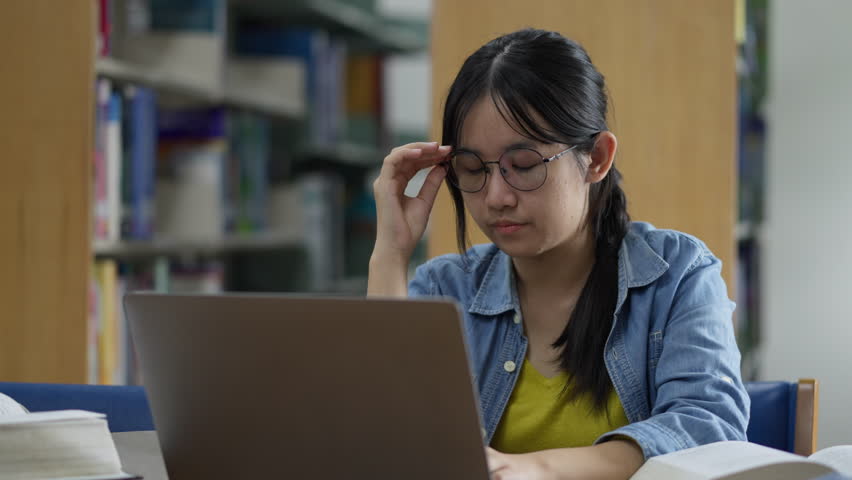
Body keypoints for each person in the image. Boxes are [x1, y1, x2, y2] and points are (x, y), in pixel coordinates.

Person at [367, 28, 749, 480]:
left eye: (524, 166)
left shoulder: (678, 274)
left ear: (596, 158)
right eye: (472, 170)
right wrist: (390, 252)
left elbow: (710, 428)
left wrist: (536, 468)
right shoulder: (444, 288)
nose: (496, 197)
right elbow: (384, 439)